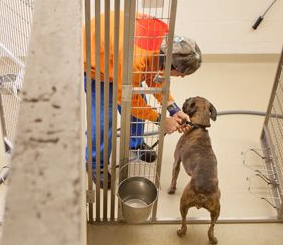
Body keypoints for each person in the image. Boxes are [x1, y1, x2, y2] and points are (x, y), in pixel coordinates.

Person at [83, 11, 203, 187]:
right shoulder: (135, 62)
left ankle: (136, 143)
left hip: (120, 56)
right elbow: (127, 100)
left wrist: (174, 109)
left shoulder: (165, 45)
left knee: (140, 107)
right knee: (103, 120)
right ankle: (95, 164)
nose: (183, 77)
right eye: (182, 73)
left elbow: (156, 77)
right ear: (170, 64)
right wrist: (162, 120)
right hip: (97, 64)